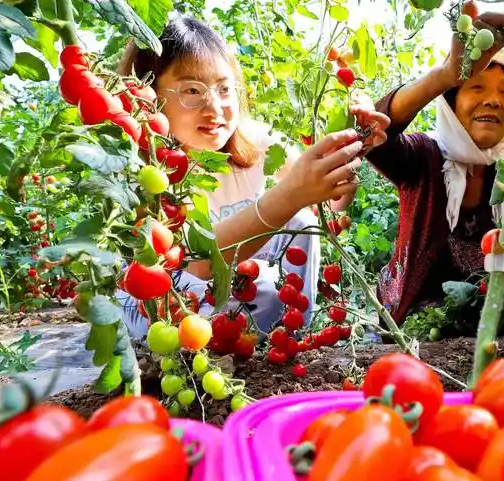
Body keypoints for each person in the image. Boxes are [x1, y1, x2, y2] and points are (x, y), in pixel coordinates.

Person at [116, 14, 390, 336]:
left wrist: (350, 150)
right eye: (192, 90)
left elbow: (331, 210)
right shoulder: (144, 175)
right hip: (168, 312)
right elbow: (199, 265)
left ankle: (287, 335)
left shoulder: (256, 142)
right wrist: (291, 194)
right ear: (146, 95)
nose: (214, 107)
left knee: (303, 220)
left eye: (224, 88)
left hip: (236, 301)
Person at [358, 13, 504, 331]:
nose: (493, 100)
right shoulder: (424, 156)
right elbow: (370, 132)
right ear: (450, 102)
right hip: (408, 330)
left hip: (491, 332)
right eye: (476, 87)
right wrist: (447, 75)